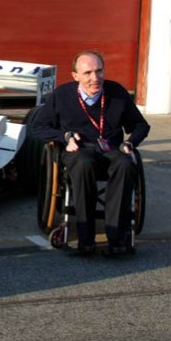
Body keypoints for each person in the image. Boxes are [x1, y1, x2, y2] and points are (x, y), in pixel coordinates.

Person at [31, 50, 150, 256]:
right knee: (83, 164)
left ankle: (117, 238)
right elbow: (38, 127)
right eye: (87, 73)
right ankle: (86, 239)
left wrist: (131, 142)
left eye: (99, 71)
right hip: (79, 150)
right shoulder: (62, 95)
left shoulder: (116, 93)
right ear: (75, 76)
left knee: (125, 164)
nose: (95, 78)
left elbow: (141, 125)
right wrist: (65, 137)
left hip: (111, 149)